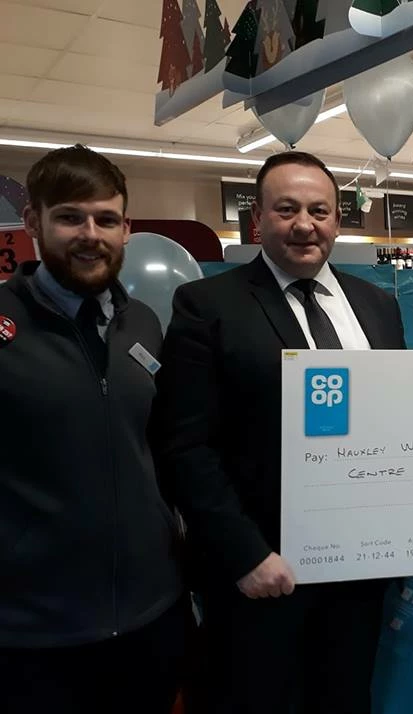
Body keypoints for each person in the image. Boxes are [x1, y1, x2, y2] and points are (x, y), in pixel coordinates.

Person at [153, 151, 405, 714]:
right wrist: (245, 555)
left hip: (357, 573)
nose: (304, 224)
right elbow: (184, 445)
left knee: (345, 699)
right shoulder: (207, 306)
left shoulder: (377, 307)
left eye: (320, 210)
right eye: (286, 209)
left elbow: (397, 424)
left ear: (338, 220)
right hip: (260, 576)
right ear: (258, 219)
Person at [0, 145, 185, 713]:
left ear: (126, 228)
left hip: (150, 617)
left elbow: (161, 447)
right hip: (31, 634)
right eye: (70, 217)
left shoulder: (145, 325)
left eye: (106, 219)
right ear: (33, 223)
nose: (90, 234)